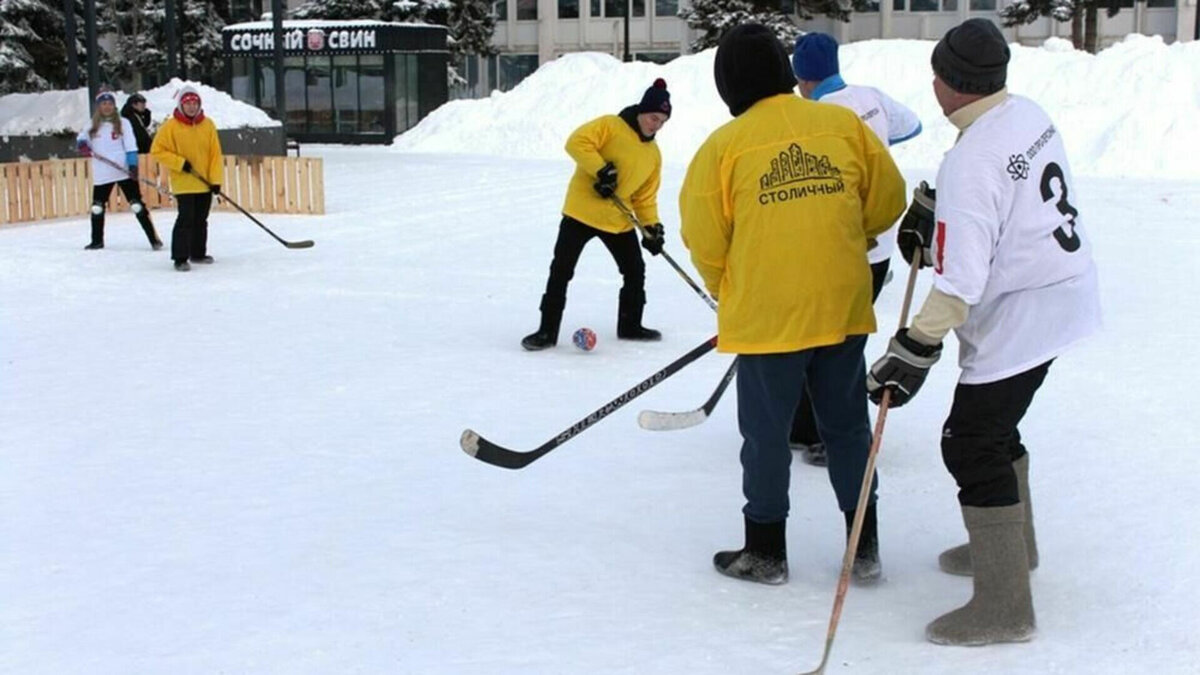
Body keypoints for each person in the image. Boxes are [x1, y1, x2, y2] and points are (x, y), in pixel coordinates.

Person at [866, 18, 1101, 645]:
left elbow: (960, 284)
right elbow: (1001, 189)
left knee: (970, 442)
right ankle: (1012, 552)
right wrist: (939, 208)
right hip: (1061, 289)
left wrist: (914, 346)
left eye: (937, 74)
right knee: (996, 430)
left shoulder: (974, 159)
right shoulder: (1023, 113)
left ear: (950, 84)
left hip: (1027, 310)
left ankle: (1004, 606)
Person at [680, 24, 906, 586]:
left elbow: (705, 240)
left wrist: (730, 287)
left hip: (767, 322)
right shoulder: (843, 125)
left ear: (729, 85)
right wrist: (840, 238)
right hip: (841, 307)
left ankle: (765, 552)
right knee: (848, 429)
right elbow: (888, 201)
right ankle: (865, 547)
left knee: (766, 436)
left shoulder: (722, 148)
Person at [788, 32, 923, 468]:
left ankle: (835, 434)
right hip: (879, 245)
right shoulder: (869, 96)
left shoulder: (814, 114)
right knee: (838, 340)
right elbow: (912, 125)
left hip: (842, 246)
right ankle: (809, 426)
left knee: (829, 344)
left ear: (802, 77)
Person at [520, 79, 672, 350]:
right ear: (641, 110)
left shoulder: (653, 155)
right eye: (653, 117)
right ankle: (546, 331)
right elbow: (576, 142)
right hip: (581, 213)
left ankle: (630, 325)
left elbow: (644, 197)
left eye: (662, 121)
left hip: (617, 220)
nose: (656, 125)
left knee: (635, 270)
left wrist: (652, 228)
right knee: (561, 271)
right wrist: (601, 170)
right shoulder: (611, 126)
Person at [76, 90, 163, 251]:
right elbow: (81, 139)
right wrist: (82, 145)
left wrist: (132, 165)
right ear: (99, 106)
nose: (107, 107)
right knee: (97, 207)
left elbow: (131, 145)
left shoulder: (123, 123)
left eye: (110, 103)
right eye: (104, 104)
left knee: (137, 205)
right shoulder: (91, 124)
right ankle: (97, 240)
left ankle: (153, 239)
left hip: (123, 171)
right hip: (103, 172)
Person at [151, 84, 224, 272]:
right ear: (181, 105)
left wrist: (215, 181)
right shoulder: (171, 126)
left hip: (204, 182)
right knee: (186, 218)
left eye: (194, 103)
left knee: (201, 218)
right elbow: (157, 150)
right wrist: (179, 163)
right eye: (187, 103)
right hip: (184, 182)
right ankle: (180, 257)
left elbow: (215, 155)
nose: (191, 106)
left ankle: (198, 252)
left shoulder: (208, 125)